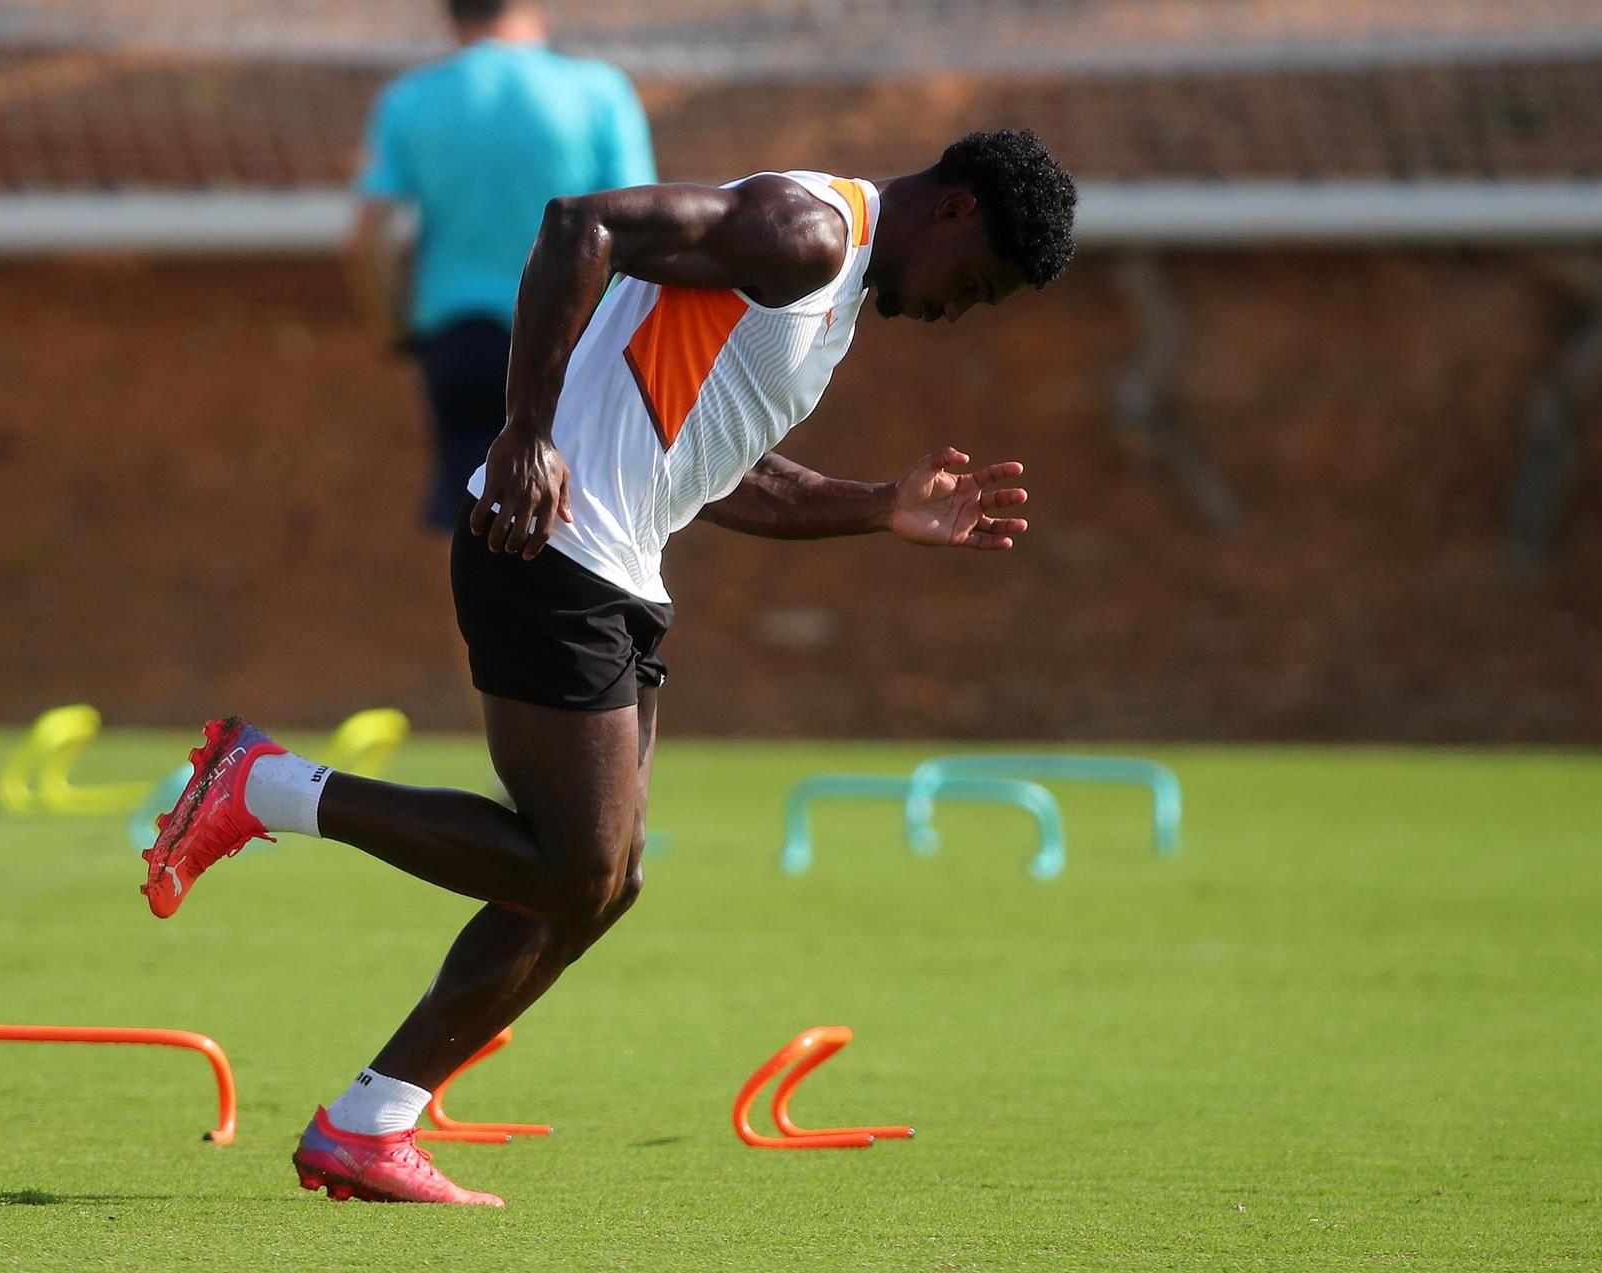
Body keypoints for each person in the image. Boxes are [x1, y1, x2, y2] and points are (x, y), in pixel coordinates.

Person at [141, 128, 1078, 1206]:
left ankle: (369, 1122)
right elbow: (578, 224)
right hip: (550, 546)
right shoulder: (809, 231)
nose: (967, 308)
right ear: (953, 211)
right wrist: (526, 432)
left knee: (604, 882)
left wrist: (878, 509)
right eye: (981, 283)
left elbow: (719, 473)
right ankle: (258, 784)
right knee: (573, 867)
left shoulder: (830, 295)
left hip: (619, 571)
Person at [346, 0, 656, 530]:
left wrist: (394, 329)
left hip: (459, 338)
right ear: (540, 13)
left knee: (472, 530)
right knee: (578, 527)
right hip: (575, 344)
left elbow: (367, 240)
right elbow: (642, 223)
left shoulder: (410, 99)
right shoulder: (600, 92)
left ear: (450, 18)